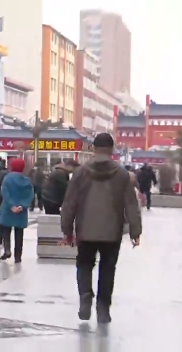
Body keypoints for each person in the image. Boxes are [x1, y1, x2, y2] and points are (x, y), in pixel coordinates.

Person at [60, 133, 142, 324]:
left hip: (85, 229)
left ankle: (85, 297)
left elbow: (70, 202)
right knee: (107, 269)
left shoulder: (80, 172)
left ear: (93, 149)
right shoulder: (122, 174)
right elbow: (131, 204)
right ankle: (103, 308)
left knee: (84, 264)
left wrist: (67, 229)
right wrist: (135, 232)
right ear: (112, 149)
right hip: (112, 231)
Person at [0, 158, 33, 263]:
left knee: (6, 230)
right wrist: (22, 206)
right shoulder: (27, 180)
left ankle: (7, 250)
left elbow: (5, 192)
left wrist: (11, 205)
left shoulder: (7, 179)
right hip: (21, 211)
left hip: (8, 209)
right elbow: (30, 195)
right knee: (19, 233)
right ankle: (18, 256)